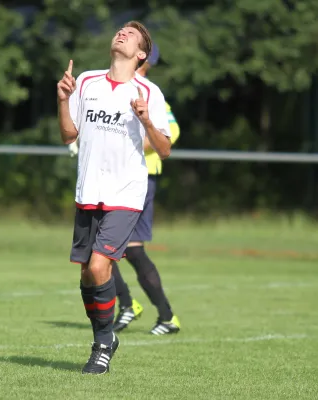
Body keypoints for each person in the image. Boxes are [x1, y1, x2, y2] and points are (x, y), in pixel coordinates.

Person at [57, 21, 171, 375]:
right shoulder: (87, 81)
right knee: (88, 278)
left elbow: (164, 149)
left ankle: (102, 346)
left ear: (141, 54)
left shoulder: (149, 92)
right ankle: (105, 337)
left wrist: (147, 121)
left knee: (98, 265)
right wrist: (62, 100)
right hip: (88, 191)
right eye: (120, 30)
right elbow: (67, 134)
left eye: (131, 34)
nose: (122, 33)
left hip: (126, 194)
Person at [110, 43, 181, 335]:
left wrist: (128, 146)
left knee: (126, 249)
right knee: (100, 248)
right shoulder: (111, 86)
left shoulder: (149, 91)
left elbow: (169, 134)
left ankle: (161, 314)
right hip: (112, 178)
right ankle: (133, 306)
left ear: (144, 59)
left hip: (141, 178)